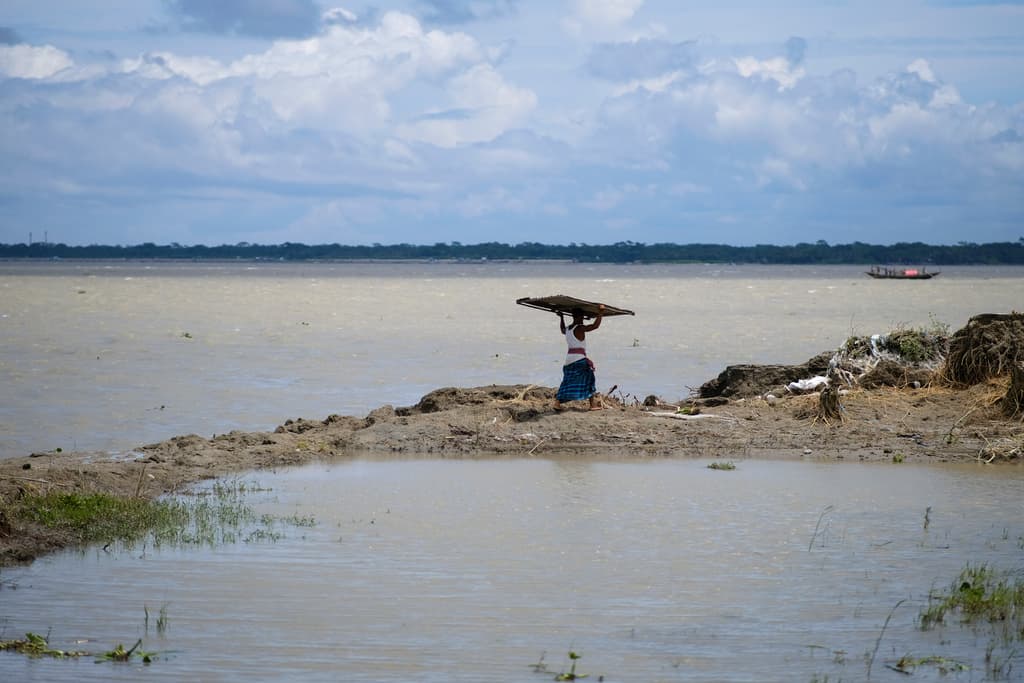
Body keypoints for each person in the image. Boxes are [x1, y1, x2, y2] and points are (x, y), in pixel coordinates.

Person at [554, 305, 604, 411]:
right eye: (582, 317)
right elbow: (595, 326)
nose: (582, 319)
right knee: (589, 378)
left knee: (567, 381)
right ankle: (592, 405)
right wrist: (600, 312)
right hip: (579, 359)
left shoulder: (568, 329)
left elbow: (562, 329)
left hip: (569, 359)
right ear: (580, 317)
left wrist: (561, 317)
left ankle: (557, 403)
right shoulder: (580, 328)